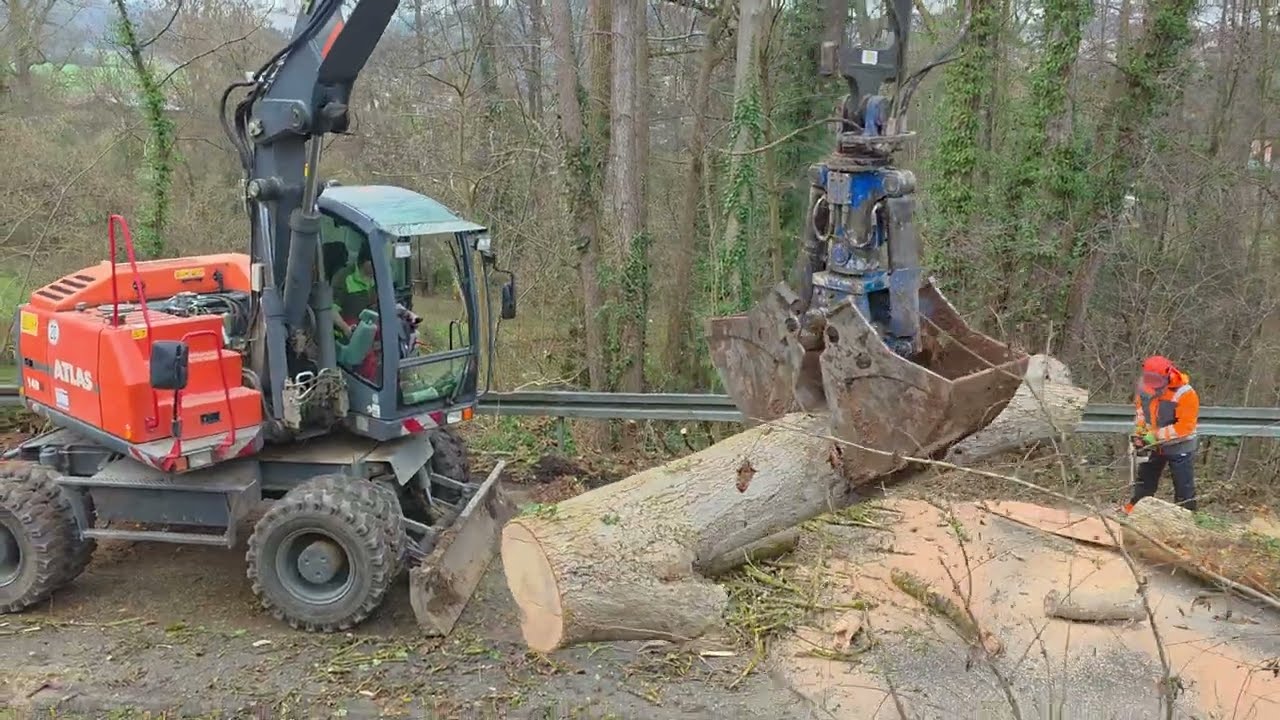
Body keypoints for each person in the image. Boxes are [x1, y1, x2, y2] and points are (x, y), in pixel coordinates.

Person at [1126, 355, 1199, 513]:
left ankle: (1188, 516)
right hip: (1154, 444)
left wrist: (1155, 436)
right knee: (1145, 480)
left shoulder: (1185, 393)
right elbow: (1141, 414)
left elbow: (1185, 426)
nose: (1154, 388)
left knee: (1183, 486)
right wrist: (1141, 433)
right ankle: (1134, 510)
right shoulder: (1144, 390)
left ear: (1167, 375)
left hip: (1180, 446)